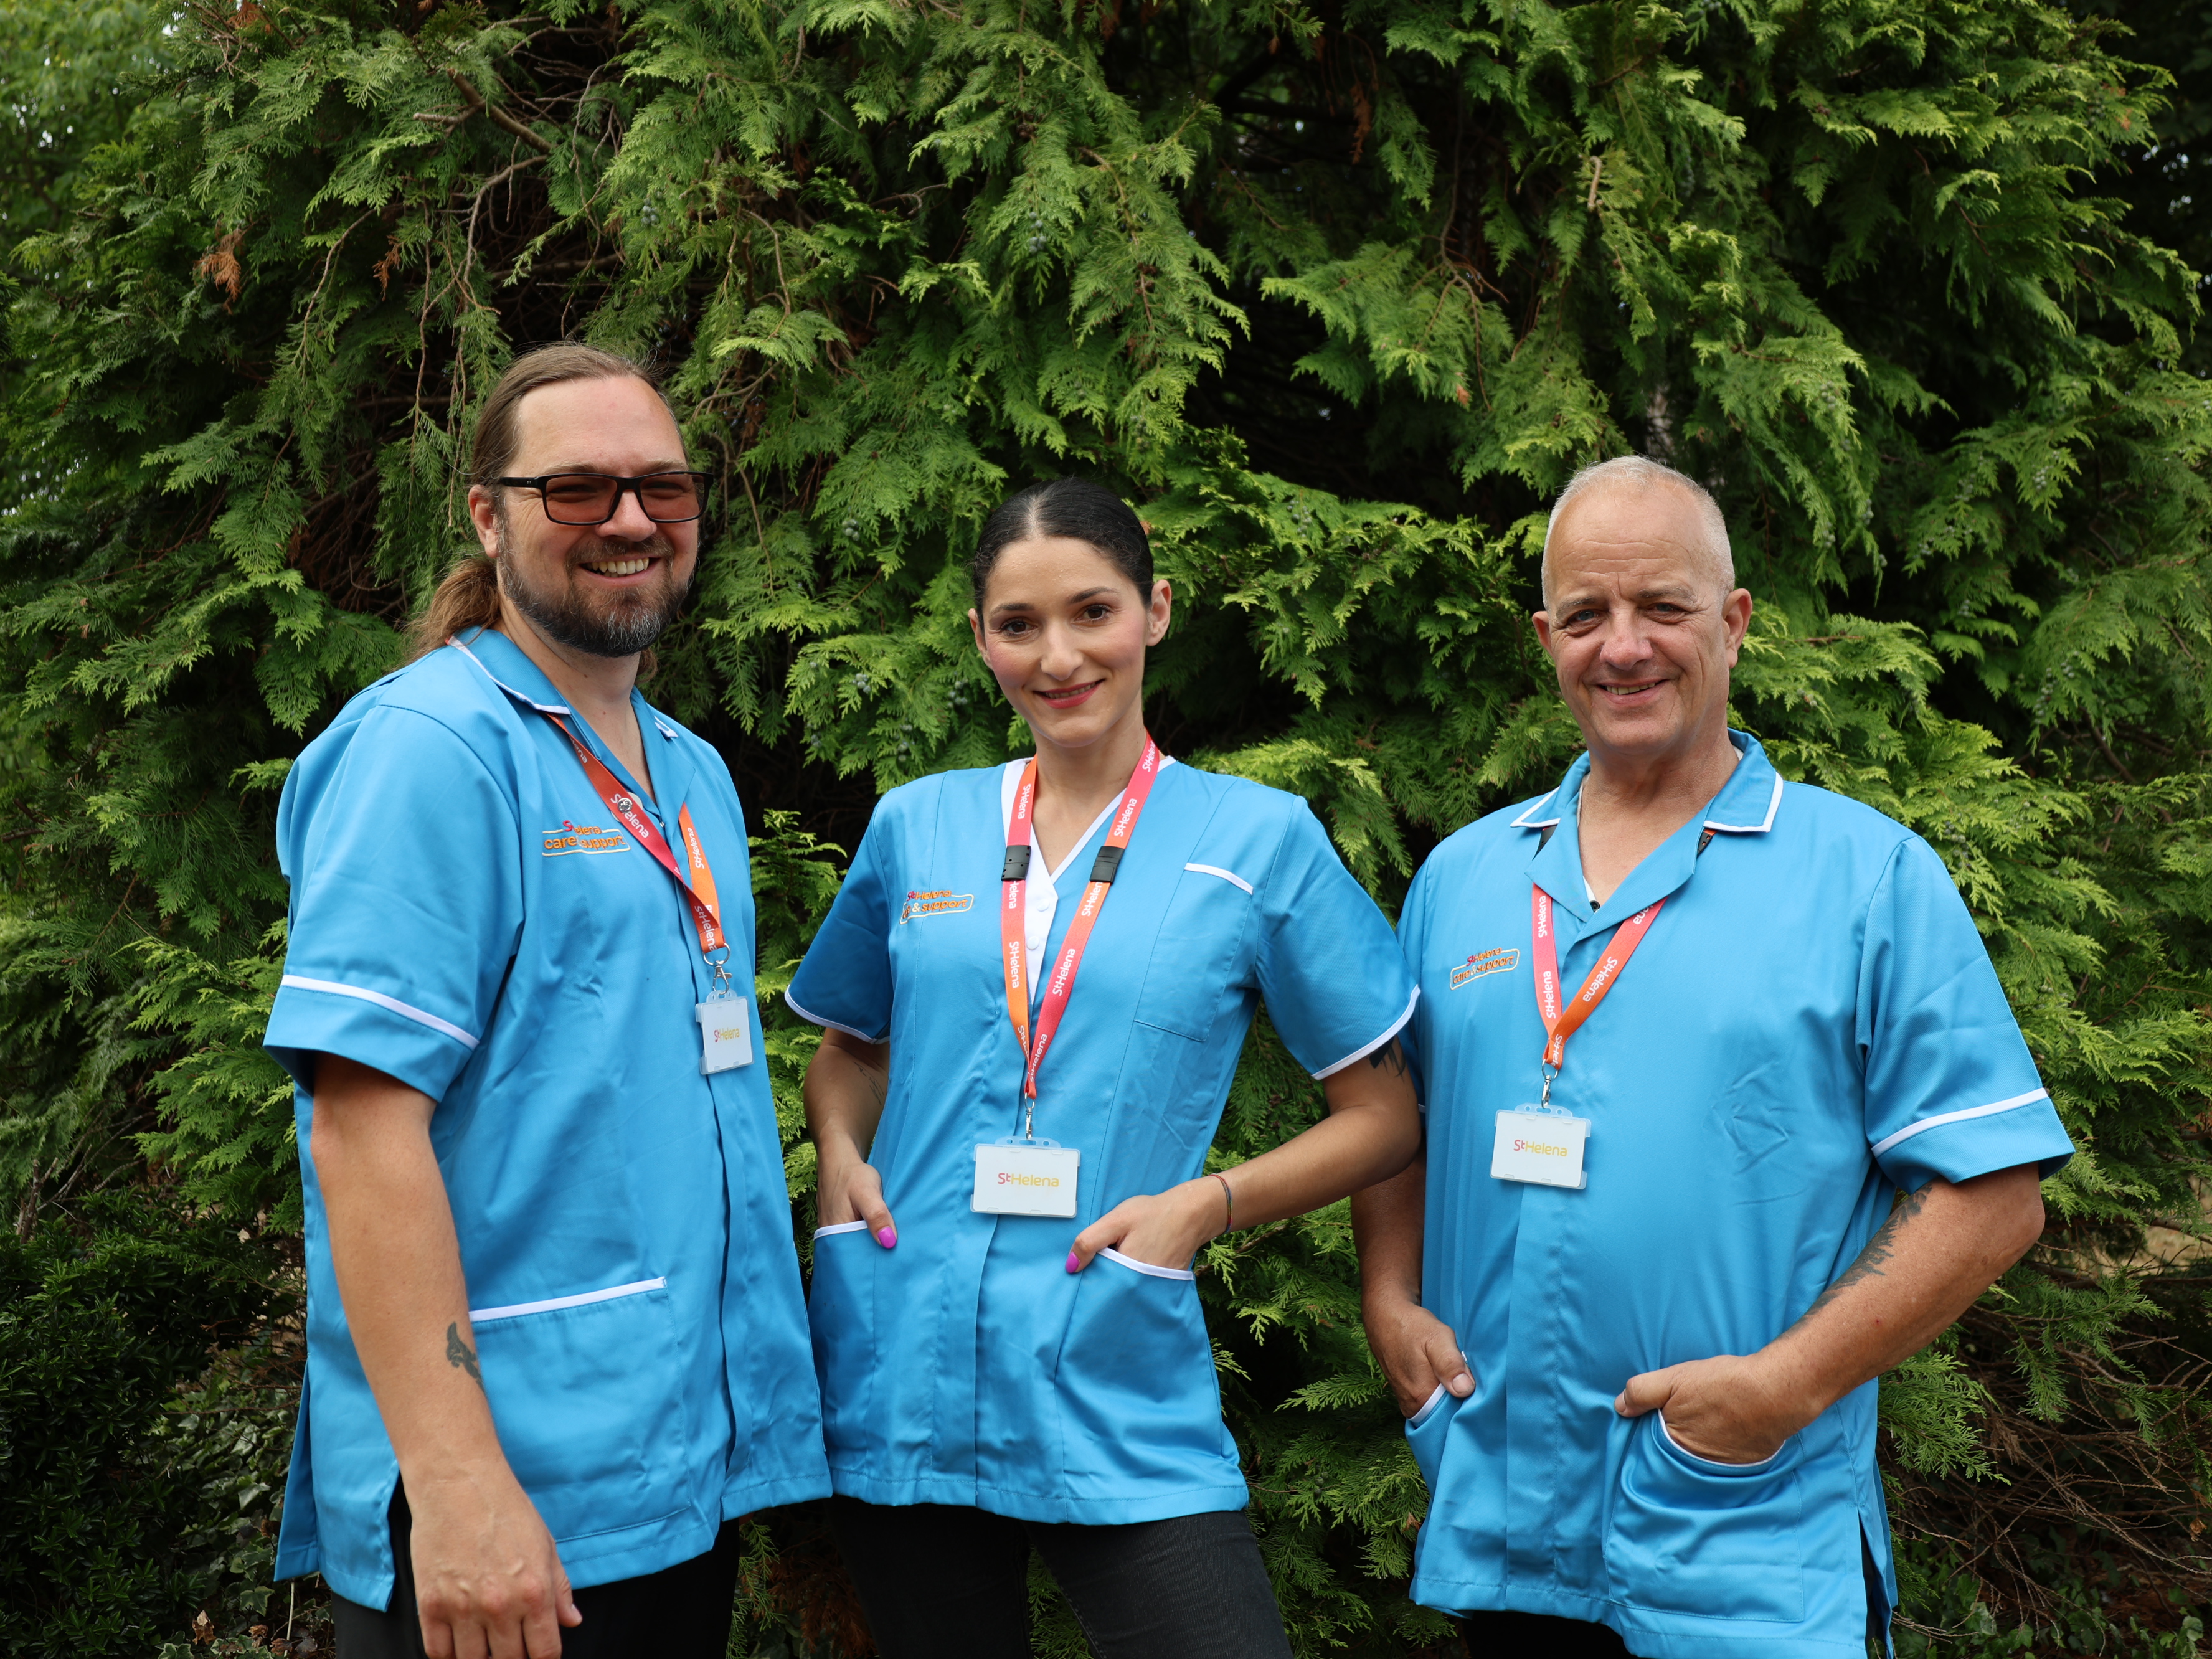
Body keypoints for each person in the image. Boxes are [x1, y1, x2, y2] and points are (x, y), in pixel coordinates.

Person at [1356, 455, 2074, 1659]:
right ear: (1547, 637)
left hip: (1746, 1538)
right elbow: (1395, 1124)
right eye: (1586, 614)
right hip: (1506, 1528)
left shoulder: (1867, 878)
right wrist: (1388, 1300)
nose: (1622, 646)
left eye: (1663, 608)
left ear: (1734, 624)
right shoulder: (1462, 878)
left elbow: (1996, 1196)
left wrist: (1782, 1391)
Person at [781, 477, 1422, 1658]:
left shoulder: (1257, 841)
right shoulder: (915, 825)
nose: (1059, 655)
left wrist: (1204, 1205)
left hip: (1112, 1367)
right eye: (1019, 625)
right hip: (903, 1355)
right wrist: (836, 1152)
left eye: (1093, 613)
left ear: (1156, 611)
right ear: (980, 638)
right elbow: (848, 1050)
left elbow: (1385, 1113)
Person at [263, 344, 829, 1658]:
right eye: (575, 489)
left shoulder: (689, 775)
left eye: (662, 488)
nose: (630, 521)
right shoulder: (434, 752)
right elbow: (363, 1131)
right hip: (507, 1498)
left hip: (671, 1472)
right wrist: (458, 1490)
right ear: (488, 514)